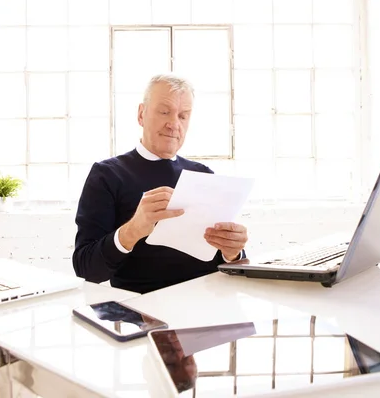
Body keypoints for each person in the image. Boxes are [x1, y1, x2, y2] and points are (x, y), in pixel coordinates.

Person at [72, 74, 249, 294]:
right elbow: (85, 269)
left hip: (206, 307)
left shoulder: (203, 175)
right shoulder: (107, 175)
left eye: (183, 116)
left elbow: (226, 265)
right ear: (141, 114)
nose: (174, 124)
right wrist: (133, 230)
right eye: (164, 112)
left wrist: (233, 252)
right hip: (143, 313)